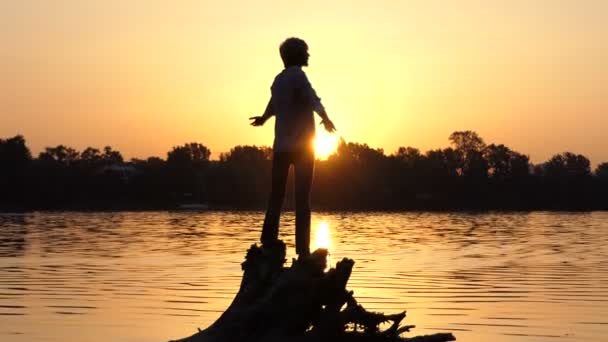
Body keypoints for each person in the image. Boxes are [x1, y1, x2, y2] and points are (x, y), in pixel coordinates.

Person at [249, 37, 336, 257]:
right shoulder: (299, 76)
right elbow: (312, 98)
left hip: (281, 148)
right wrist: (325, 118)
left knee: (275, 196)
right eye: (306, 52)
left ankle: (268, 239)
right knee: (302, 200)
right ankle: (303, 250)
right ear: (297, 55)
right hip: (303, 149)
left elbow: (273, 103)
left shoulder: (278, 80)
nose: (308, 55)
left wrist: (264, 118)